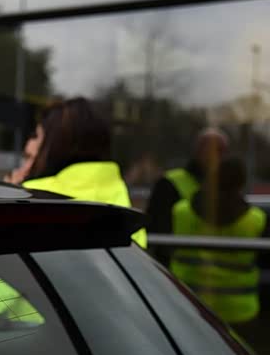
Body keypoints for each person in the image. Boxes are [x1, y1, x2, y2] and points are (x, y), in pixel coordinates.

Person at [21, 97, 147, 248]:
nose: (28, 144)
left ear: (56, 144)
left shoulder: (31, 196)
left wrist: (11, 192)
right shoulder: (123, 202)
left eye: (36, 135)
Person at [170, 156, 270, 332]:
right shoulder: (257, 220)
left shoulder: (181, 211)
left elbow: (162, 251)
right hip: (239, 312)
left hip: (187, 303)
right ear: (241, 183)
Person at [145, 128, 229, 265]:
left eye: (221, 151)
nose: (215, 156)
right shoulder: (169, 183)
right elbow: (157, 230)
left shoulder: (227, 186)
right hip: (179, 268)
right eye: (211, 150)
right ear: (198, 151)